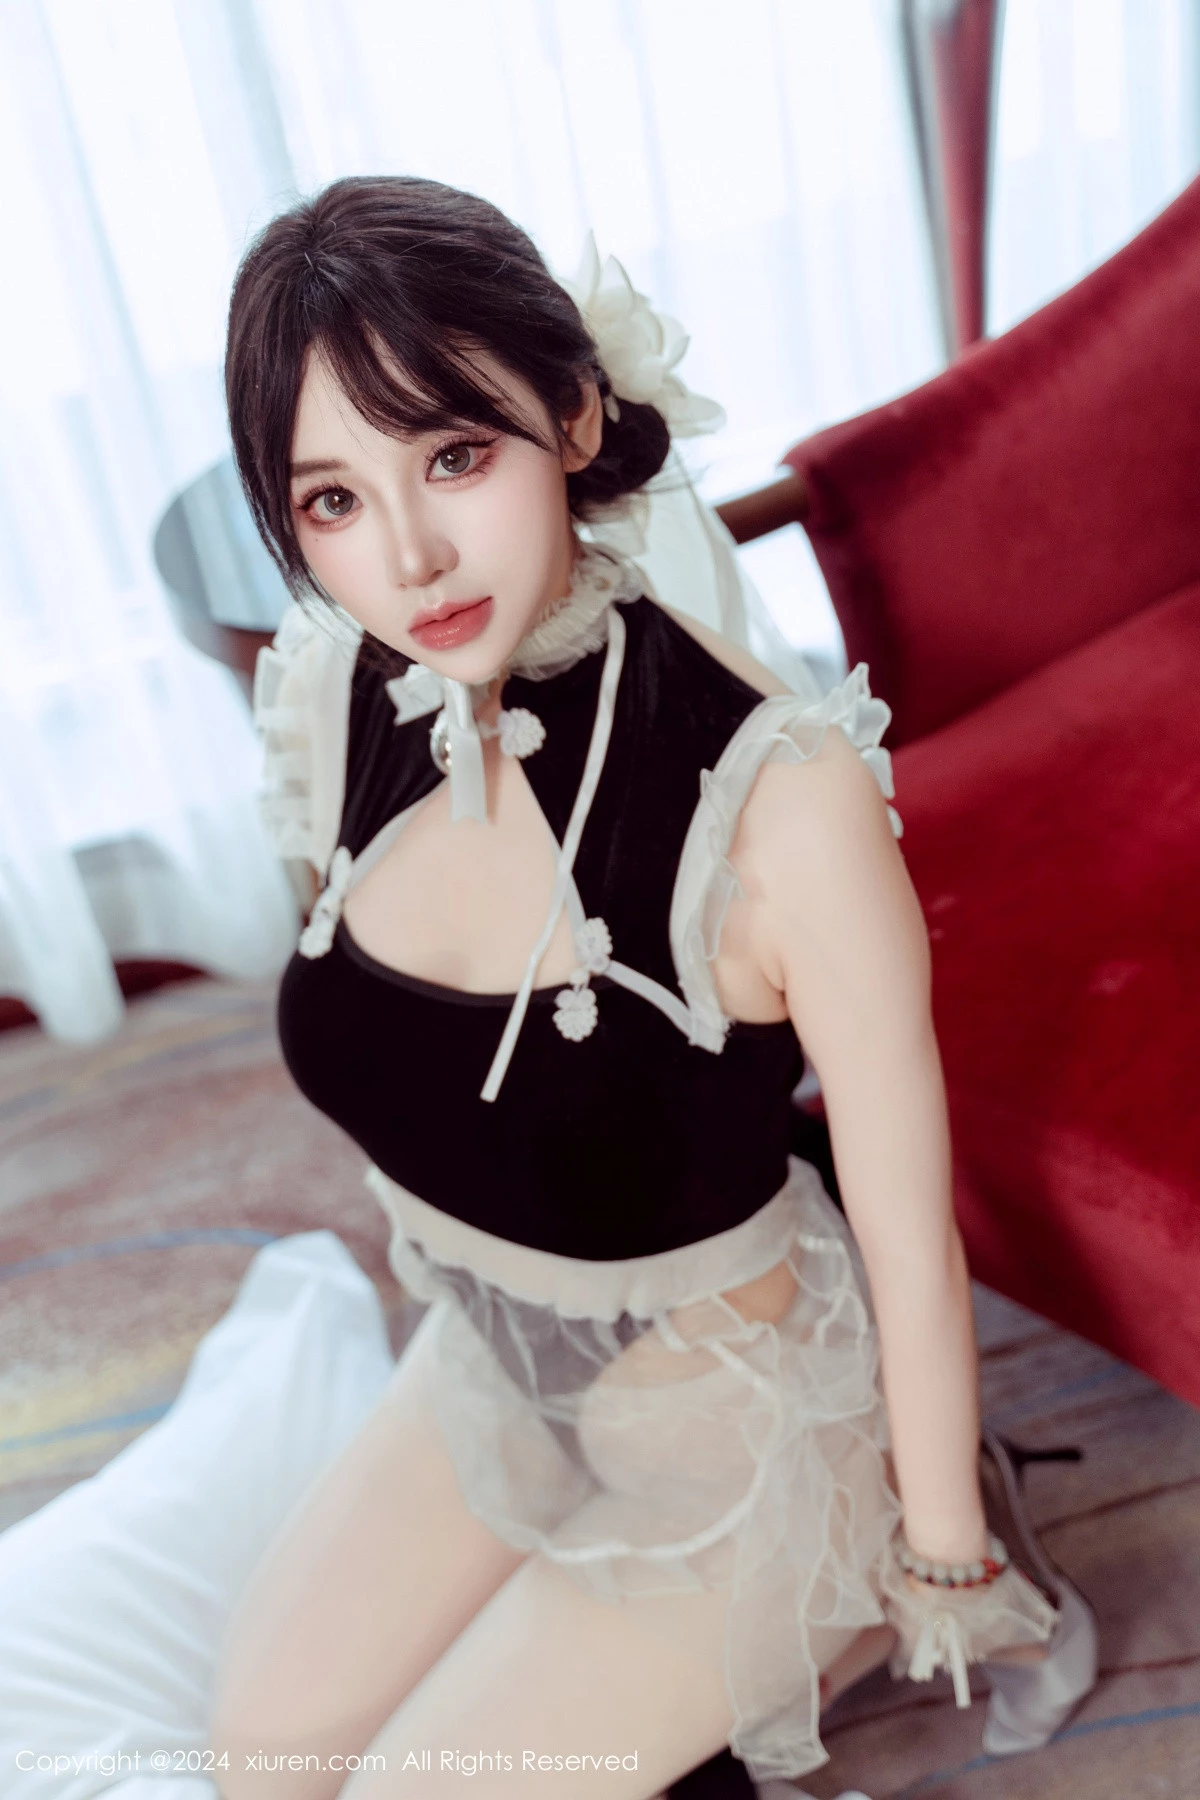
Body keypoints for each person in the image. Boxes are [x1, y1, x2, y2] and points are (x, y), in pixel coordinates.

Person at [207, 174, 1078, 1800]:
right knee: (257, 1769)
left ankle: (885, 1560)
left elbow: (912, 1239)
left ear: (574, 414)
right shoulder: (343, 688)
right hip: (494, 1363)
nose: (409, 555)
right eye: (332, 500)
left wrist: (946, 1559)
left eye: (454, 457)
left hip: (739, 1420)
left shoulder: (779, 801)